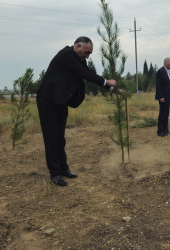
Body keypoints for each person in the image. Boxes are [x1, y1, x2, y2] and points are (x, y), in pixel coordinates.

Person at [36, 36, 117, 186]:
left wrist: (109, 86)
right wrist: (106, 82)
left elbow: (89, 72)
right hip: (47, 100)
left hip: (60, 100)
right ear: (78, 46)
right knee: (52, 138)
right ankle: (55, 174)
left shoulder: (79, 59)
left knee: (60, 137)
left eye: (90, 54)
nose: (87, 56)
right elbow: (83, 73)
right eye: (86, 52)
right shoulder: (66, 55)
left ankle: (63, 168)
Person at [155, 58, 170, 136]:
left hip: (167, 96)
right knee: (162, 114)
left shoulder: (168, 72)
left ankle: (166, 130)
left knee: (166, 113)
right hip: (162, 96)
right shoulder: (161, 71)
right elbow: (158, 85)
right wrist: (161, 96)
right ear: (166, 63)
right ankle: (160, 131)